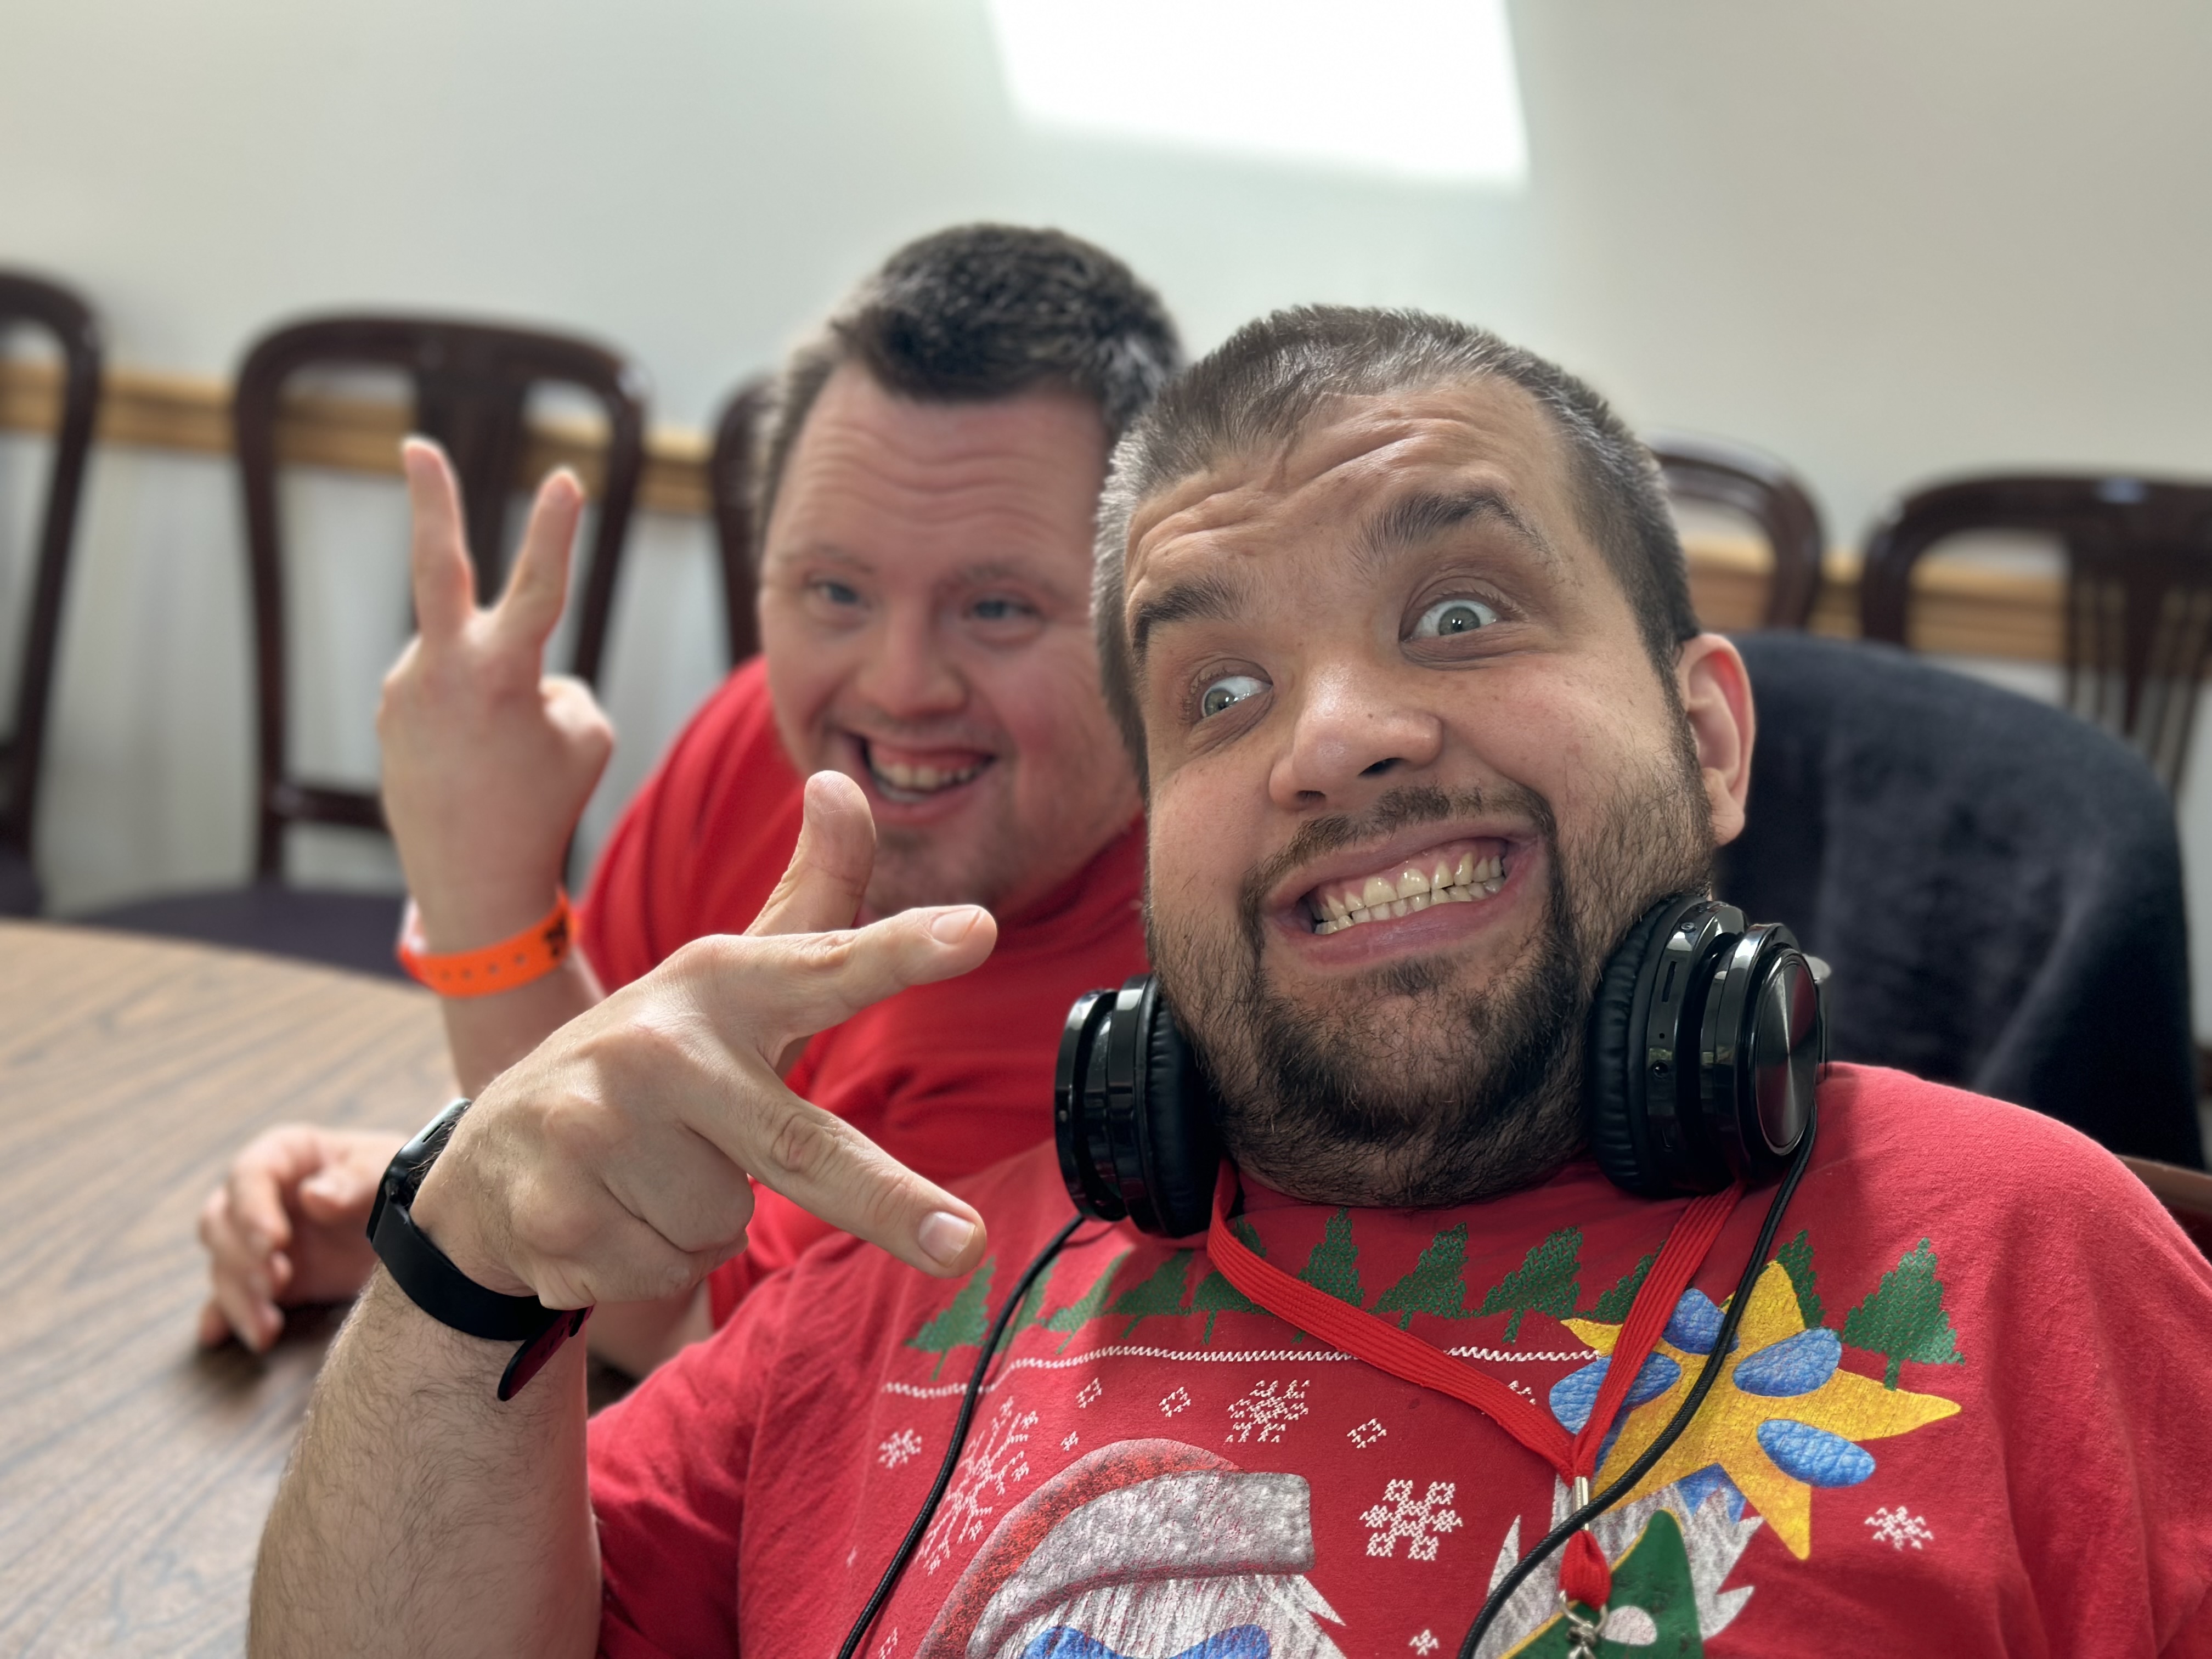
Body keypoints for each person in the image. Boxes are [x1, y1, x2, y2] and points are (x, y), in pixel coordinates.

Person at [250, 307, 2212, 1657]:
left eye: (1458, 611)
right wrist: (462, 1255)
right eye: (1222, 689)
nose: (1332, 739)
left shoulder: (2033, 1259)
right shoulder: (913, 1275)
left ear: (1706, 738)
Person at [193, 225, 1177, 1374]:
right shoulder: (759, 738)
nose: (898, 686)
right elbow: (580, 1113)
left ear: (1151, 611)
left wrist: (484, 890)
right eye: (835, 591)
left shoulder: (1142, 1004)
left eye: (997, 608)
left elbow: (682, 1334)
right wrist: (407, 1195)